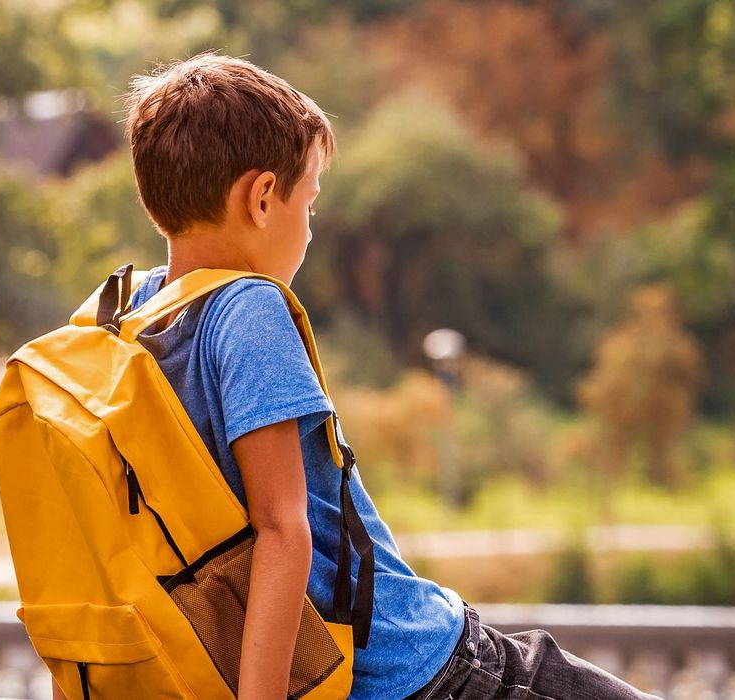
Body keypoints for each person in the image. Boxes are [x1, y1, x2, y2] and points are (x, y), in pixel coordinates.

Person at [53, 53, 659, 700]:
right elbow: (282, 530)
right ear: (262, 198)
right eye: (308, 203)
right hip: (419, 667)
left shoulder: (126, 320)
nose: (310, 230)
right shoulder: (247, 308)